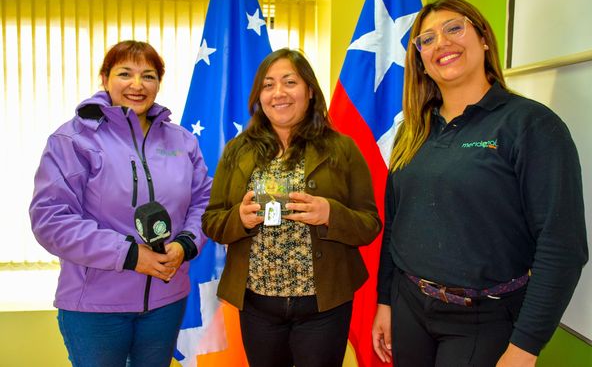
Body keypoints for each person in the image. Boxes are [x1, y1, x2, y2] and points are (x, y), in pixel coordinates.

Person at [372, 0, 588, 367]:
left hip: (483, 319)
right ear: (420, 61)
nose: (441, 43)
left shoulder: (530, 125)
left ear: (484, 38)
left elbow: (562, 246)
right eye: (426, 39)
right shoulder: (413, 130)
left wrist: (525, 347)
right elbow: (397, 224)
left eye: (454, 28)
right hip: (410, 307)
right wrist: (385, 301)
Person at [29, 40, 212, 367]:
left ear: (159, 82)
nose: (137, 85)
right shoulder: (72, 140)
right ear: (105, 78)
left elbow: (203, 202)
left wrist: (186, 244)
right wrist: (129, 255)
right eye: (125, 73)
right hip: (96, 309)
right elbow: (51, 220)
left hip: (165, 302)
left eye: (149, 75)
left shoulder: (182, 141)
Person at [202, 48, 382, 367]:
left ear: (310, 91)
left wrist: (331, 214)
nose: (278, 93)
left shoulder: (342, 148)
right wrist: (238, 219)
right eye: (268, 85)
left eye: (289, 82)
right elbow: (212, 222)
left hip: (323, 307)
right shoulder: (237, 150)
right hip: (258, 307)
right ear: (259, 95)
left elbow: (370, 224)